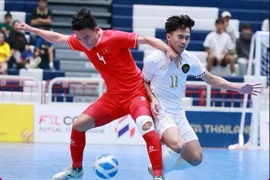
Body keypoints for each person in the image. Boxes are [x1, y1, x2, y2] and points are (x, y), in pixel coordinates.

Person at [17, 8, 179, 180]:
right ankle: (76, 170)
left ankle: (158, 176)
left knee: (146, 127)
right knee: (79, 124)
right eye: (79, 39)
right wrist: (32, 30)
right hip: (113, 97)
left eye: (86, 37)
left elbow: (146, 39)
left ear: (96, 30)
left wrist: (168, 49)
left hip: (135, 93)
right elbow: (58, 38)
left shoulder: (114, 37)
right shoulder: (82, 40)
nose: (84, 43)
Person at [143, 15, 262, 178]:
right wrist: (153, 99)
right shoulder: (153, 59)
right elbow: (144, 82)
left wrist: (239, 88)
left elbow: (211, 79)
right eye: (180, 37)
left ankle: (158, 169)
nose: (184, 41)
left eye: (187, 37)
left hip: (178, 114)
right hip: (161, 113)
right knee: (178, 145)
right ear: (168, 37)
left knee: (196, 158)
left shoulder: (190, 60)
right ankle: (158, 174)